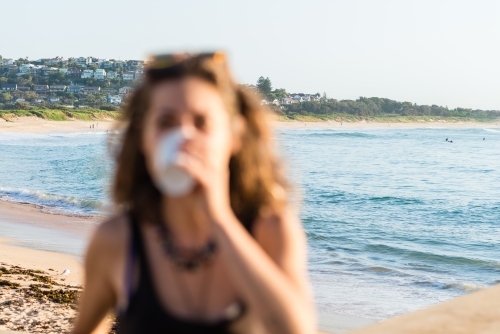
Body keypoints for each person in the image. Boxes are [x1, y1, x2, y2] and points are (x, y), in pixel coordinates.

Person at [72, 52, 315, 334]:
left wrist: (220, 218)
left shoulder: (271, 231)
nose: (185, 136)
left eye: (202, 122)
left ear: (234, 136)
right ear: (143, 139)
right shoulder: (118, 240)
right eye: (166, 122)